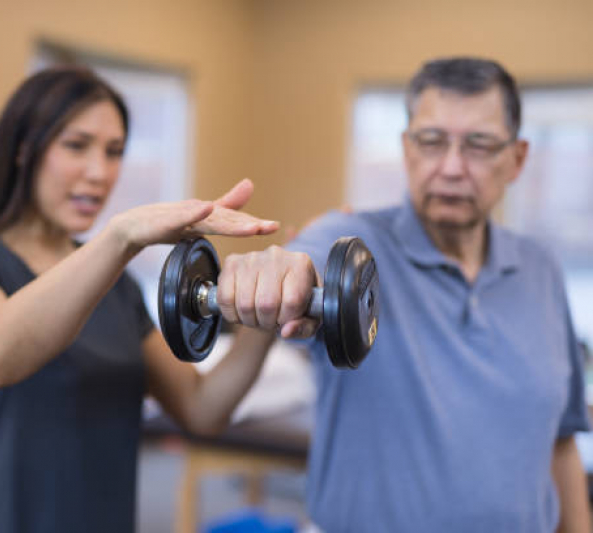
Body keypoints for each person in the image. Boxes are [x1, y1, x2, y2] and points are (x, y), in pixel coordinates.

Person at [216, 57, 592, 532]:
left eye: (478, 145)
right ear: (406, 148)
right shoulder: (351, 239)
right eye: (432, 142)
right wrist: (275, 272)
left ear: (516, 159)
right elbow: (303, 264)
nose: (452, 168)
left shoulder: (541, 269)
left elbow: (559, 440)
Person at [0, 67, 281, 533]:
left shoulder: (118, 285)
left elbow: (202, 408)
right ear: (24, 149)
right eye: (76, 145)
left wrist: (268, 313)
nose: (100, 172)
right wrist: (123, 236)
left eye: (114, 152)